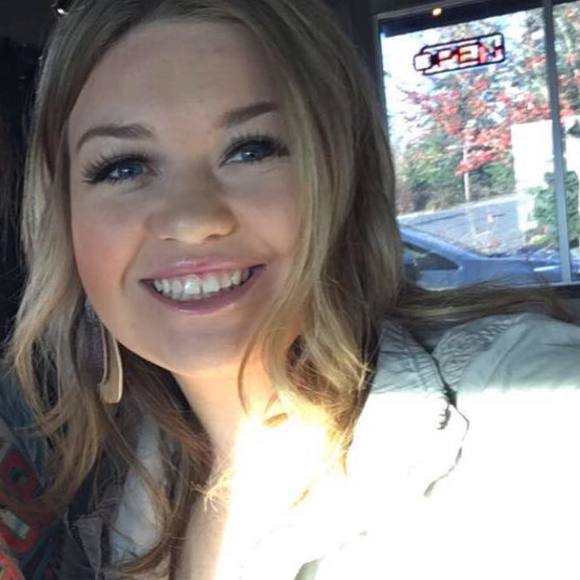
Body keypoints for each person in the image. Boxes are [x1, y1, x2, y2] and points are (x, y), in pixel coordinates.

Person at [1, 0, 579, 578]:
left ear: (341, 174)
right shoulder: (116, 490)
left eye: (252, 149)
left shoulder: (528, 424)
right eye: (124, 167)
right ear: (64, 218)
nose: (191, 218)